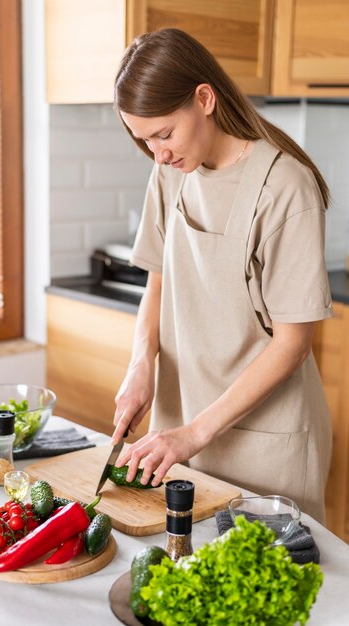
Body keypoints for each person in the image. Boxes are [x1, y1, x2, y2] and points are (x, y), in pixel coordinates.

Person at [110, 28, 332, 524]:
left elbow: (292, 344)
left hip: (265, 447)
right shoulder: (169, 171)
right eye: (144, 140)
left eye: (164, 134)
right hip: (180, 430)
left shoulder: (285, 186)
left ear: (204, 99)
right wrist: (139, 363)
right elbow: (159, 282)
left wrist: (193, 433)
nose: (158, 154)